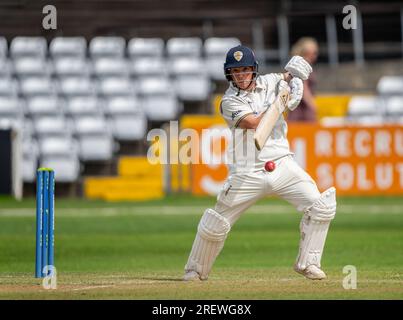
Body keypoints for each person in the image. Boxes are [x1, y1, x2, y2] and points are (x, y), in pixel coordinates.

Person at [183, 45, 337, 281]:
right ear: (229, 74)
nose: (242, 75)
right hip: (247, 171)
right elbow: (255, 123)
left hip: (282, 163)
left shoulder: (272, 82)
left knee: (321, 206)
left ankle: (309, 264)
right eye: (236, 71)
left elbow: (291, 75)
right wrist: (282, 101)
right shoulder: (228, 102)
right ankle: (195, 269)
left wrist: (296, 81)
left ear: (254, 70)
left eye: (245, 70)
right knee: (217, 221)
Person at [286, 37, 319, 122]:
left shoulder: (297, 64)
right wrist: (312, 105)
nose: (315, 55)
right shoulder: (303, 65)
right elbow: (303, 88)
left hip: (297, 107)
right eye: (313, 52)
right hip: (302, 110)